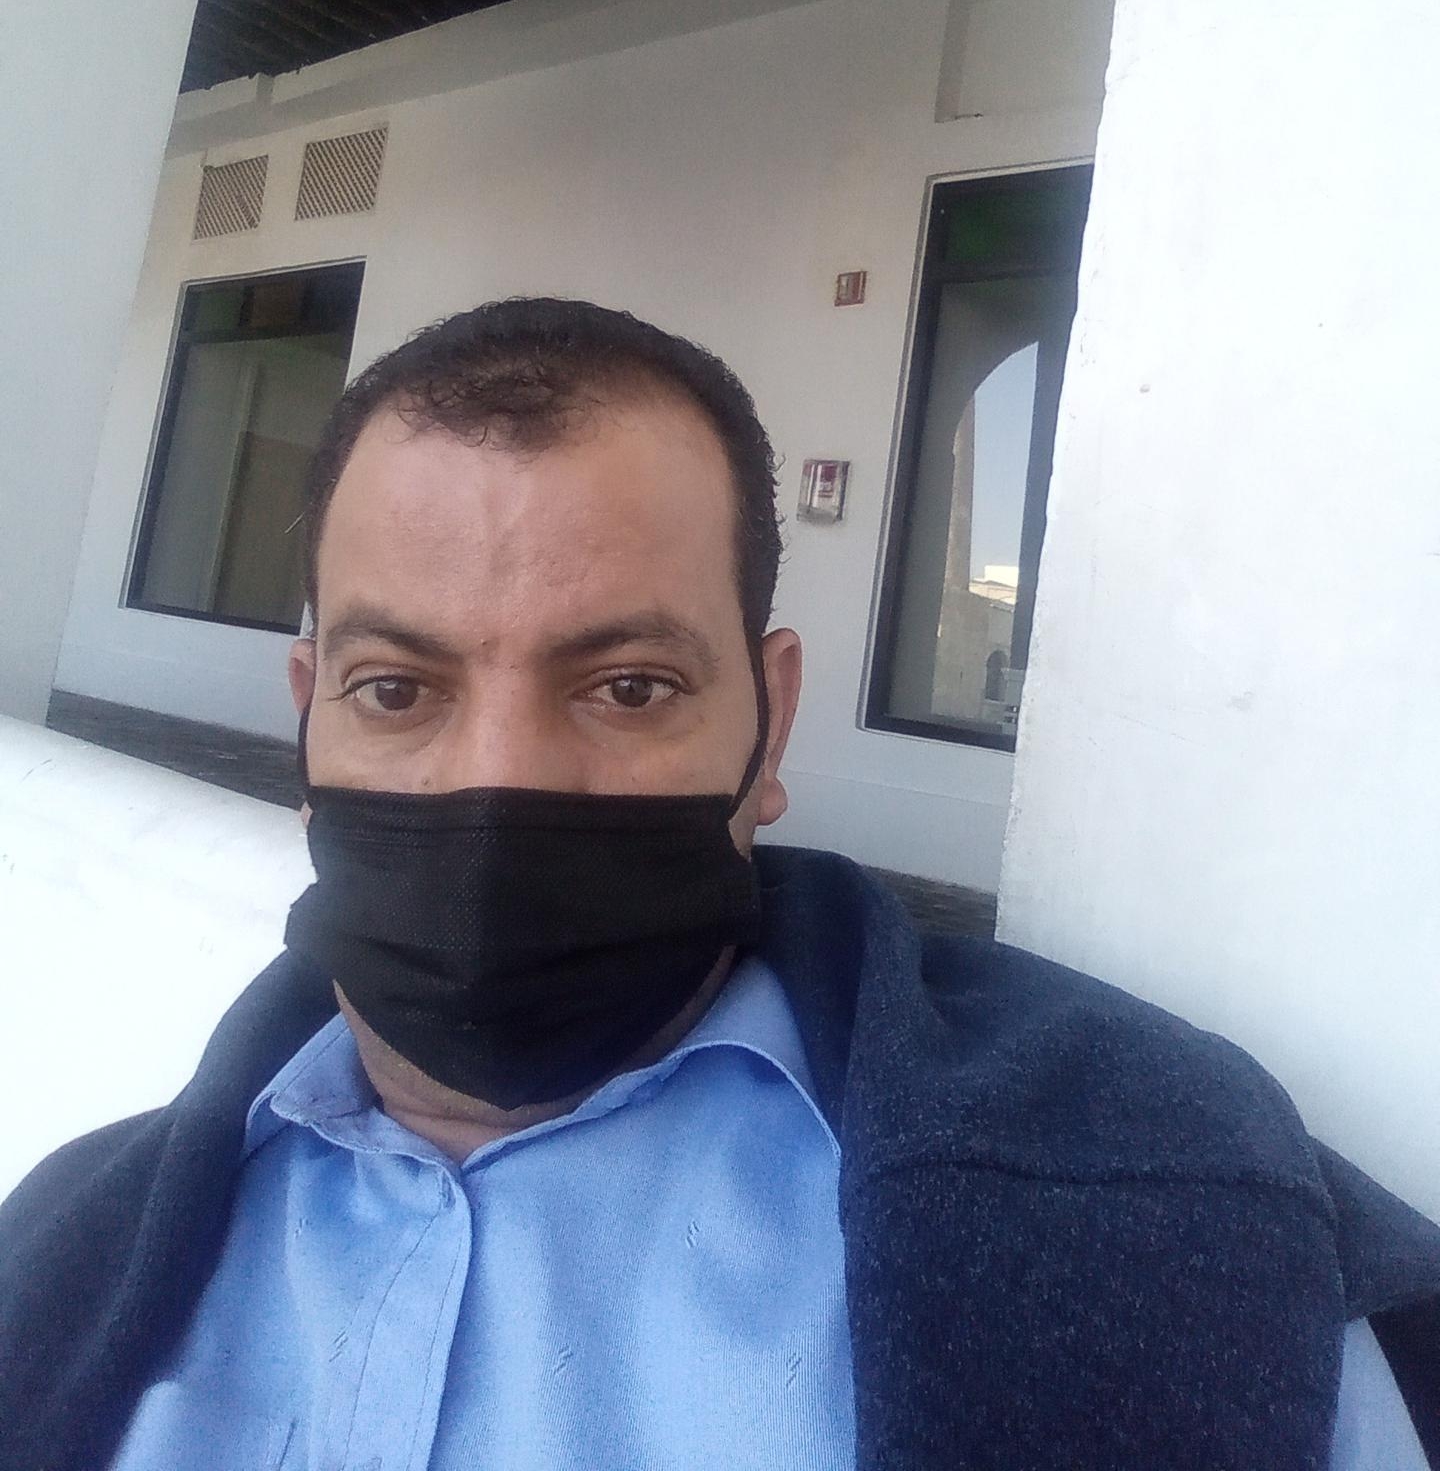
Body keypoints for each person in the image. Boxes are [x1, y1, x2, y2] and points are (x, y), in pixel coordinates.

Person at [1, 297, 1437, 1471]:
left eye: (628, 686)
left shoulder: (1169, 1205)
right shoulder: (56, 1251)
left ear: (771, 725)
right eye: (396, 688)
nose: (501, 781)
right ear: (308, 721)